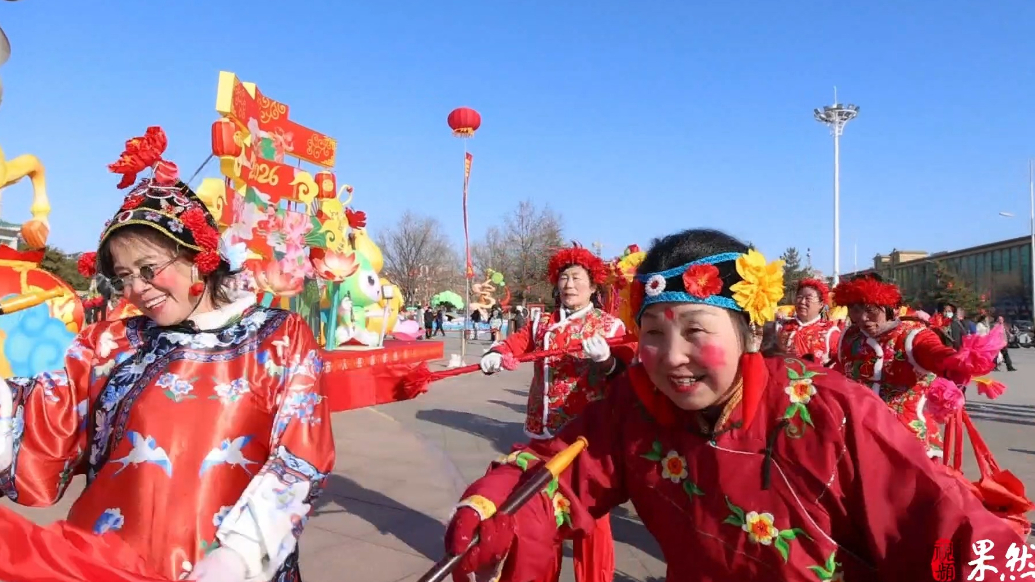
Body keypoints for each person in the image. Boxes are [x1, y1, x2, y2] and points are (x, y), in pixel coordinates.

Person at [443, 228, 1024, 582]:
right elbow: (557, 469)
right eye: (652, 333)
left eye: (696, 330)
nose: (672, 357)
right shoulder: (636, 407)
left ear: (751, 332)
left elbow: (952, 535)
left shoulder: (831, 413)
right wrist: (494, 507)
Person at [0, 127, 334, 582]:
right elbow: (43, 416)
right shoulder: (110, 342)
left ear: (198, 256)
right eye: (124, 276)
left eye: (149, 269)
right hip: (107, 565)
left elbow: (299, 458)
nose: (137, 288)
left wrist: (239, 557)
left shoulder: (279, 338)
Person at [477, 244, 633, 582]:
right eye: (564, 278)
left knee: (590, 518)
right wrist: (496, 352)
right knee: (540, 514)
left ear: (593, 285)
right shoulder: (541, 323)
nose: (569, 285)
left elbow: (626, 376)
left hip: (585, 440)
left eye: (577, 278)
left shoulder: (609, 326)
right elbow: (515, 343)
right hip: (541, 435)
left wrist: (607, 361)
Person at [831, 274, 999, 458]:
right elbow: (838, 377)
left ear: (887, 305)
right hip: (856, 438)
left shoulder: (913, 336)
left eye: (871, 310)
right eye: (855, 310)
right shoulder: (850, 337)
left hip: (906, 442)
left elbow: (935, 353)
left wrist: (958, 360)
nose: (863, 318)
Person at [776, 278, 841, 365]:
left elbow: (837, 365)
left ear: (821, 304)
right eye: (799, 297)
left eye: (808, 298)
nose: (802, 302)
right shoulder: (780, 326)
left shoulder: (830, 332)